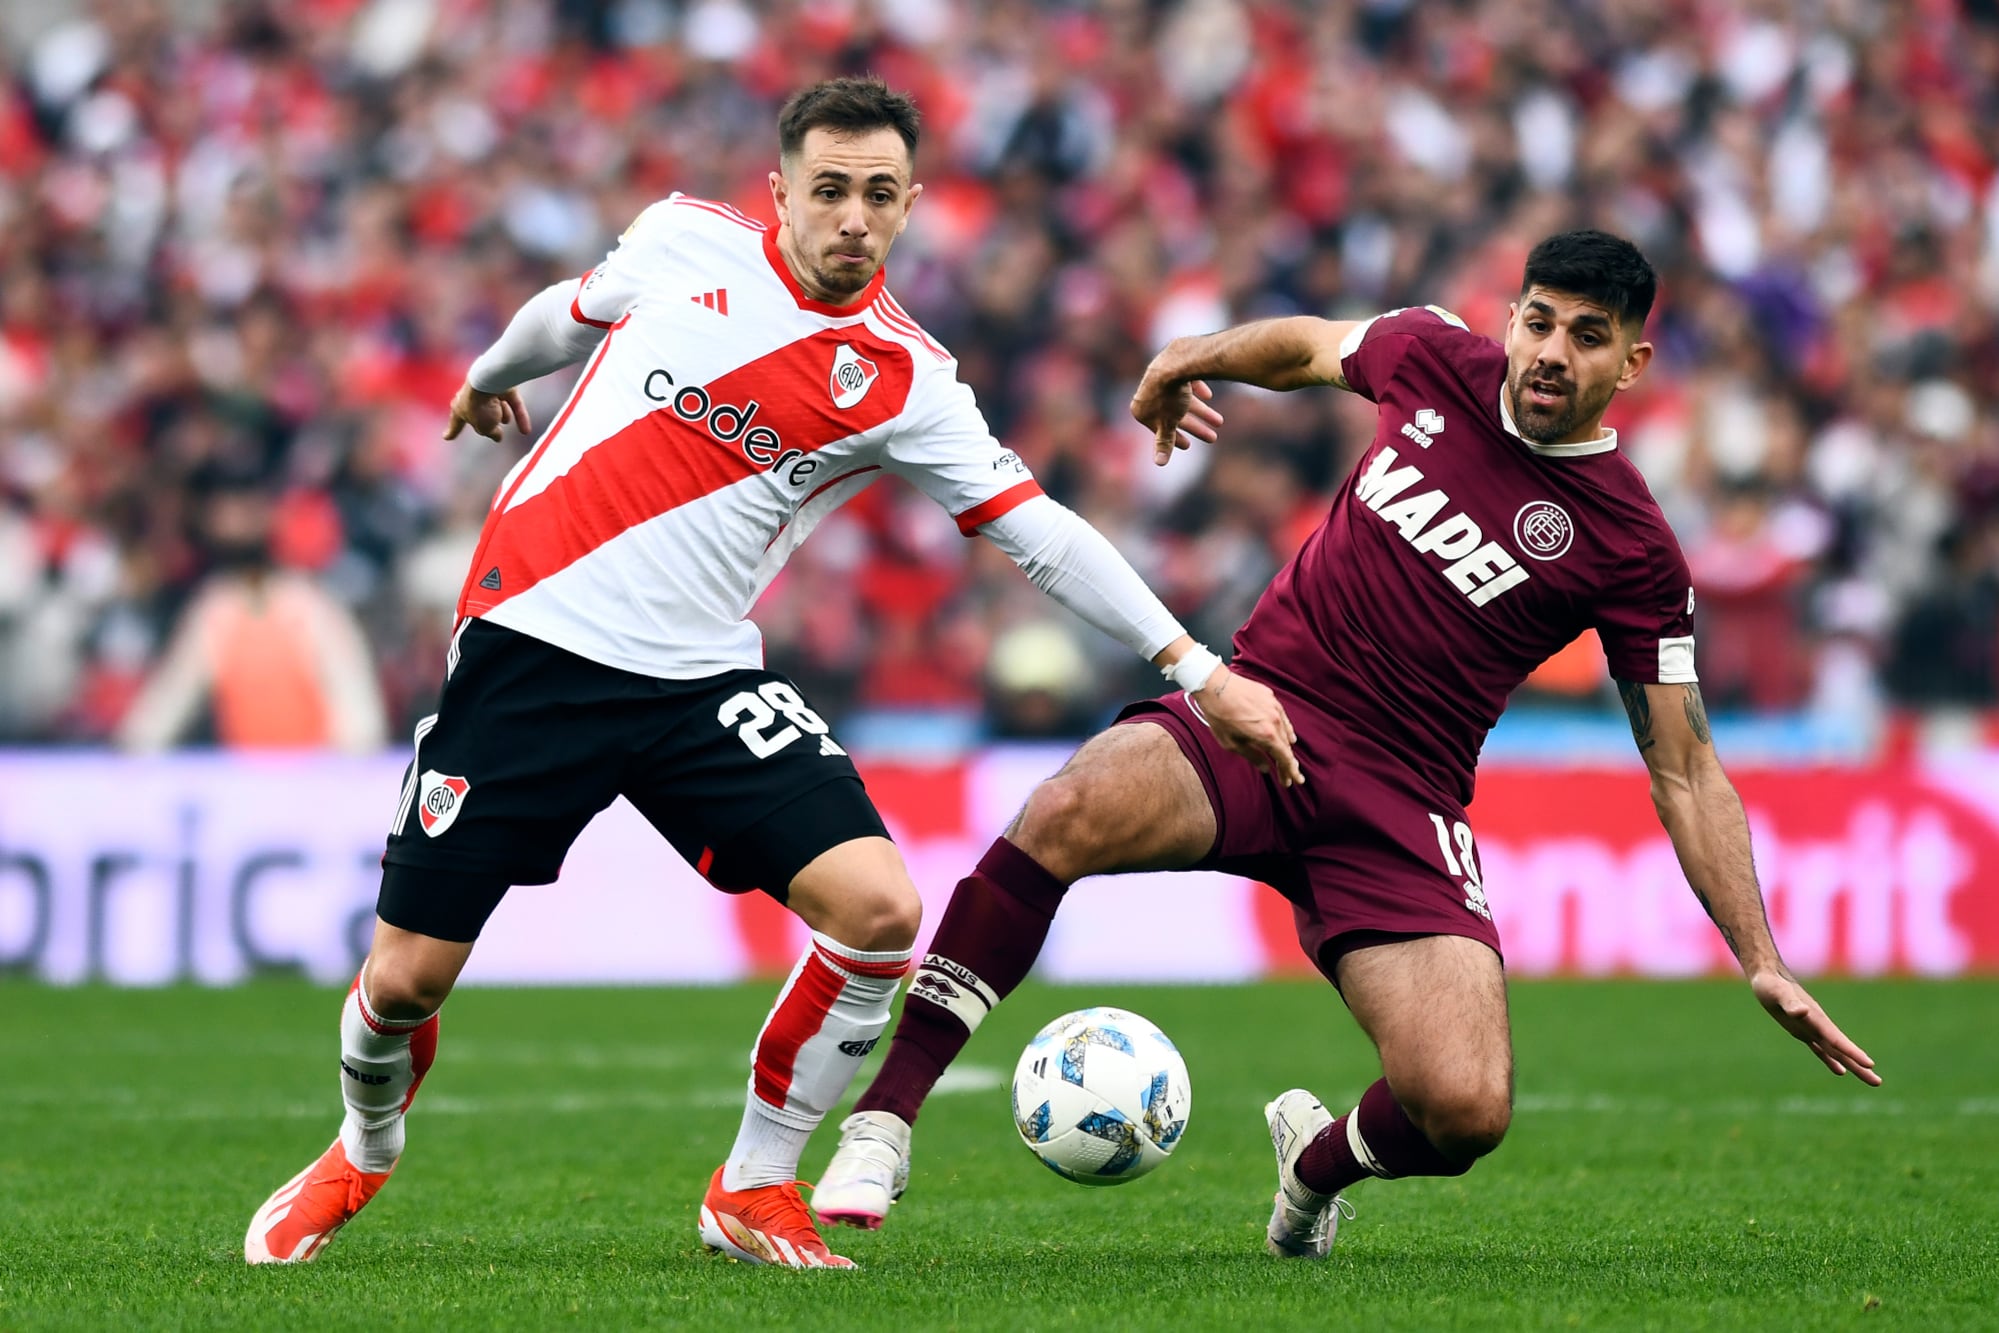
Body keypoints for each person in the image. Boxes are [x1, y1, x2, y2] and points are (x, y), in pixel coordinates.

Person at [242, 77, 1297, 1271]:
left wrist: (1198, 670)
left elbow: (1039, 534)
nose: (854, 216)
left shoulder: (907, 379)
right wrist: (491, 373)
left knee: (879, 913)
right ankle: (362, 1146)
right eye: (832, 189)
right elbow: (566, 309)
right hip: (530, 652)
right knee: (403, 981)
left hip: (696, 681)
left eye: (881, 196)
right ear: (781, 191)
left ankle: (751, 1183)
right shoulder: (683, 240)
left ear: (908, 210)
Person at [813, 231, 1881, 1255]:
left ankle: (1313, 1168)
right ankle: (884, 1122)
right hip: (1258, 710)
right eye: (1539, 323)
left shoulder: (1632, 546)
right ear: (1509, 320)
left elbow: (1684, 765)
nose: (1552, 353)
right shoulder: (1428, 354)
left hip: (1399, 799)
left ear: (1632, 361)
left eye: (1587, 336)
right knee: (1065, 810)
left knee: (1463, 1108)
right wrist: (1189, 355)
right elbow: (1306, 347)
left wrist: (1761, 959)